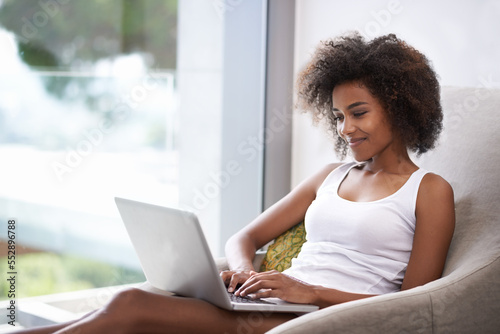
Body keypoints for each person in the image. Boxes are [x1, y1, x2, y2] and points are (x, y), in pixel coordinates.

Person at [16, 33, 455, 334]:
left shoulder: (429, 191)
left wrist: (309, 292)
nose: (344, 129)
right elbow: (245, 236)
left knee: (132, 308)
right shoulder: (332, 175)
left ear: (400, 108)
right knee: (125, 307)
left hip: (321, 317)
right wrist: (246, 274)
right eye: (339, 116)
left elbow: (414, 304)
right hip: (276, 301)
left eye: (358, 113)